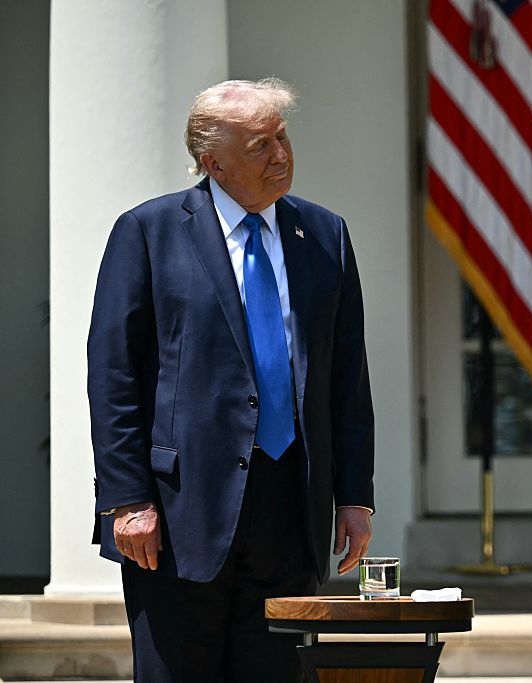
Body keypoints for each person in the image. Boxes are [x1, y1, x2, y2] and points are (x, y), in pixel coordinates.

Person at [88, 78, 375, 682]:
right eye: (260, 145)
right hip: (173, 512)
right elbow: (113, 373)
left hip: (290, 506)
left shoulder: (325, 234)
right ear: (212, 162)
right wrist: (127, 498)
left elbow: (346, 376)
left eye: (282, 136)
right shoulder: (149, 231)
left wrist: (353, 495)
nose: (281, 155)